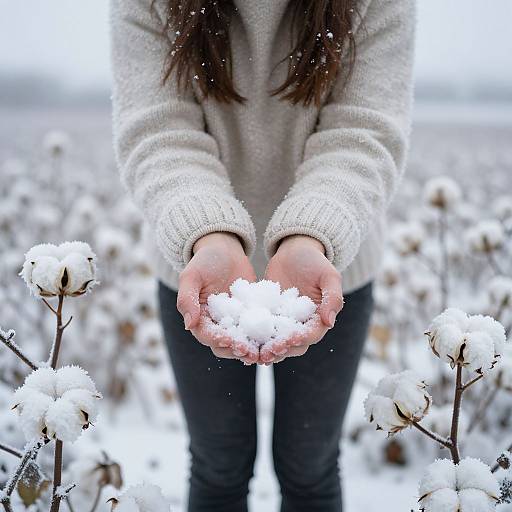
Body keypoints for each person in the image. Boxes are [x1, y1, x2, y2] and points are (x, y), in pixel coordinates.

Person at [110, 0, 415, 510]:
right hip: (196, 270)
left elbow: (363, 130)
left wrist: (312, 235)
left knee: (310, 466)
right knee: (218, 463)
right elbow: (159, 127)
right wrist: (209, 234)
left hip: (330, 269)